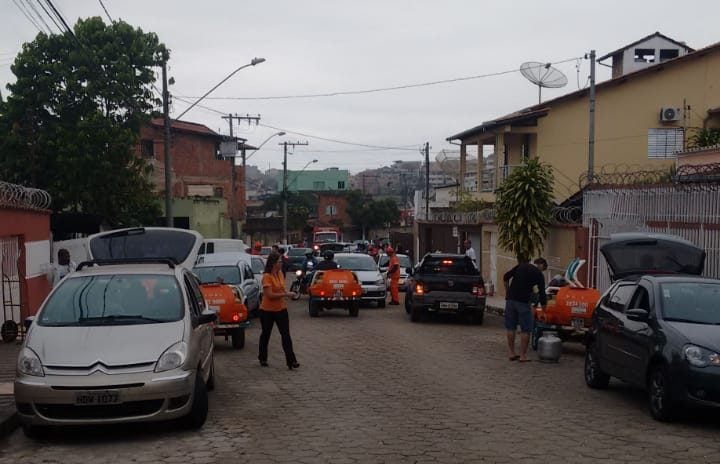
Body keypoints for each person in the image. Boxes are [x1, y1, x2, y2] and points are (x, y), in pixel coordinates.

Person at [258, 252, 299, 370]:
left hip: (281, 309)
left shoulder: (280, 274)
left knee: (286, 335)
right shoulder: (267, 276)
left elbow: (281, 288)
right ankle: (262, 357)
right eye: (279, 262)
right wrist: (286, 294)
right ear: (273, 263)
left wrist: (286, 294)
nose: (281, 263)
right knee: (266, 334)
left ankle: (292, 361)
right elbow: (269, 295)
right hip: (267, 311)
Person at [503, 257, 547, 362]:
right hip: (523, 302)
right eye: (543, 269)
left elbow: (505, 277)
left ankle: (511, 353)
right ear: (541, 265)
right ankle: (522, 355)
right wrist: (544, 310)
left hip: (510, 300)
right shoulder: (538, 274)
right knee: (526, 329)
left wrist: (507, 291)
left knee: (511, 327)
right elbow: (542, 294)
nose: (542, 271)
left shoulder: (521, 266)